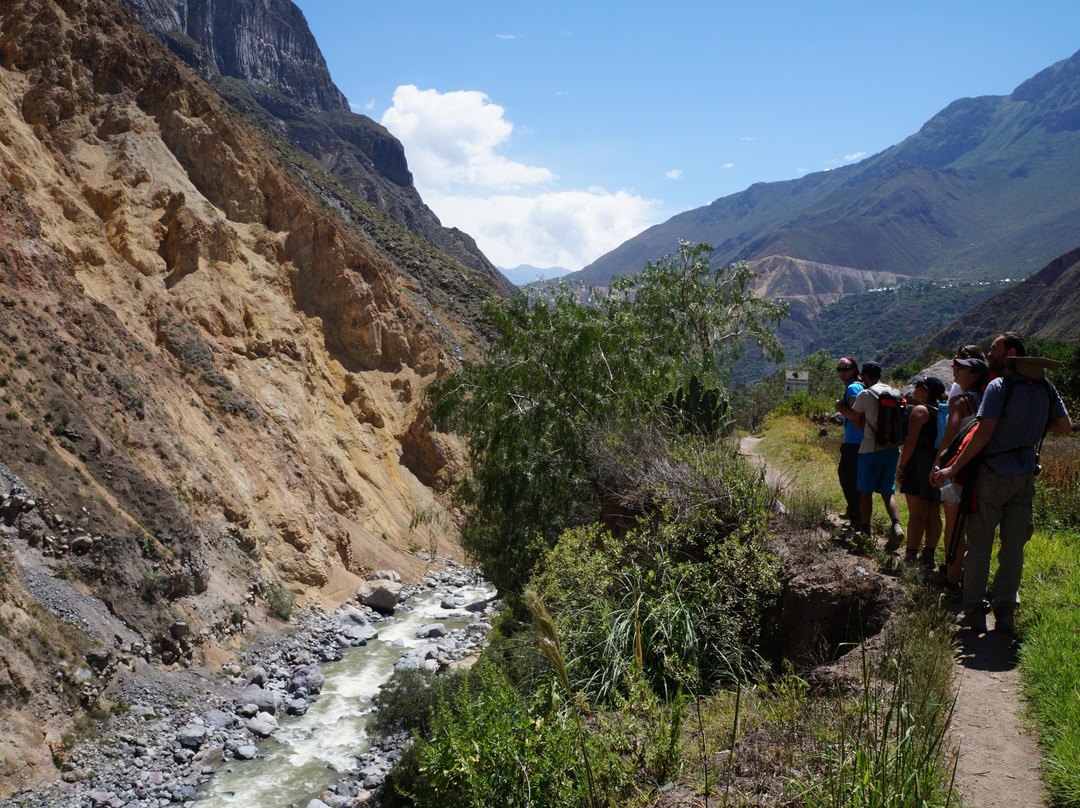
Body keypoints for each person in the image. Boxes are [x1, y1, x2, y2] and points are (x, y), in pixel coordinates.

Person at [931, 333, 1072, 633]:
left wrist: (952, 467)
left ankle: (974, 608)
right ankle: (1006, 608)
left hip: (993, 475)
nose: (990, 355)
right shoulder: (1045, 388)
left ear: (1009, 353)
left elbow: (983, 432)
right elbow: (1064, 425)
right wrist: (1027, 423)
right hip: (1025, 476)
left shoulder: (999, 386)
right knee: (1013, 547)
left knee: (980, 543)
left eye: (994, 349)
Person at [937, 356, 989, 591]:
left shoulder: (959, 400)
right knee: (976, 528)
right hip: (983, 471)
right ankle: (972, 577)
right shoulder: (990, 399)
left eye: (961, 368)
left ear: (974, 375)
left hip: (955, 472)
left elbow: (950, 435)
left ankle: (951, 580)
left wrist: (937, 464)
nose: (955, 370)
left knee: (953, 527)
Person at [848, 361, 905, 550]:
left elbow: (856, 423)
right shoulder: (894, 392)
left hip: (871, 449)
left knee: (865, 491)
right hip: (892, 448)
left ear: (864, 375)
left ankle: (865, 531)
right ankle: (896, 525)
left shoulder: (865, 394)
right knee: (887, 491)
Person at [897, 375, 945, 566]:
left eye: (917, 386)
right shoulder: (939, 412)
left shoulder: (920, 411)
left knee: (916, 513)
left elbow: (911, 442)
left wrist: (902, 466)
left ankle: (910, 556)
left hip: (919, 463)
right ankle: (929, 556)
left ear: (926, 390)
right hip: (936, 463)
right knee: (933, 512)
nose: (914, 389)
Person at [834, 357, 865, 532]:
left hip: (855, 442)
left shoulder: (853, 388)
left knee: (847, 478)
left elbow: (855, 417)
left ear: (854, 369)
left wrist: (839, 408)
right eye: (838, 369)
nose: (841, 373)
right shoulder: (858, 385)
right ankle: (854, 512)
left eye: (845, 369)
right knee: (854, 479)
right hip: (859, 441)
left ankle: (856, 518)